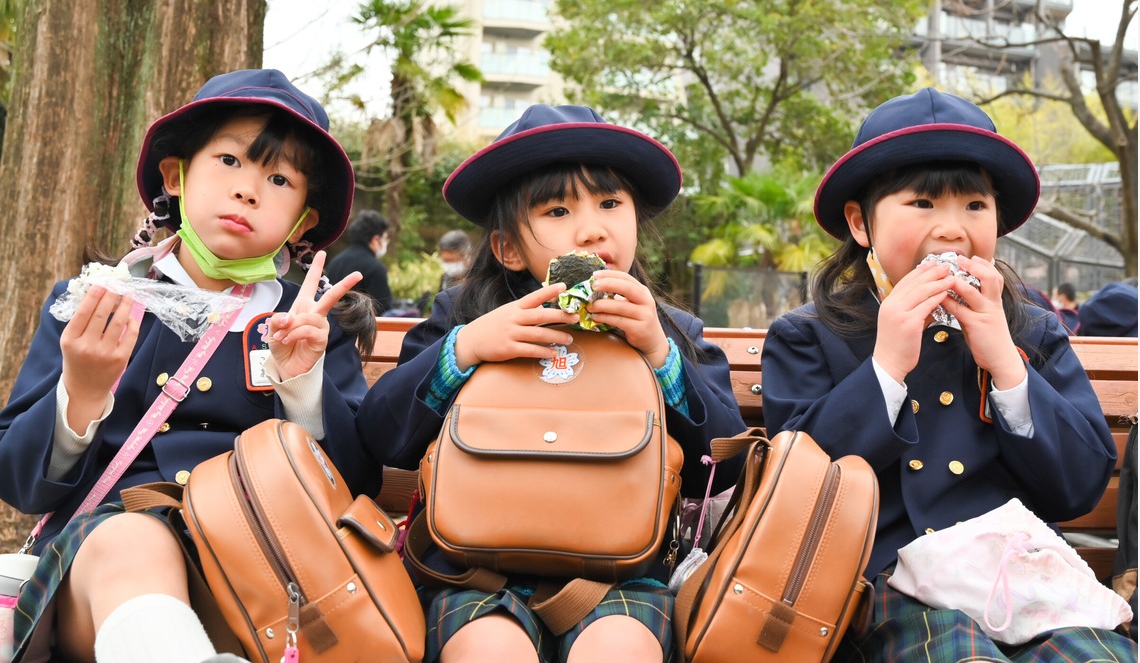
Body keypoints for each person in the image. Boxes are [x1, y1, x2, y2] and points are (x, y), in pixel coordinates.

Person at [0, 69, 383, 663]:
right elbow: (18, 482)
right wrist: (80, 390)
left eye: (279, 179)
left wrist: (304, 384)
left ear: (303, 220)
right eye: (229, 161)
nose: (249, 190)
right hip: (102, 571)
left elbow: (357, 484)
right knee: (133, 541)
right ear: (175, 176)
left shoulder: (310, 323)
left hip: (267, 580)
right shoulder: (94, 301)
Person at [356, 104, 745, 663]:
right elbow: (381, 434)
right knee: (490, 651)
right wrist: (464, 347)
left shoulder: (671, 331)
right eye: (559, 210)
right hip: (476, 573)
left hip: (623, 575)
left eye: (611, 204)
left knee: (620, 651)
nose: (592, 228)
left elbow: (723, 466)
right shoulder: (463, 318)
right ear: (508, 248)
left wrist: (660, 354)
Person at [760, 88, 1133, 661]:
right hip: (891, 584)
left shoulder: (1031, 330)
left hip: (1024, 580)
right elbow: (802, 493)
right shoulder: (810, 334)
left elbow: (1079, 488)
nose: (953, 229)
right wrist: (886, 363)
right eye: (923, 204)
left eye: (974, 207)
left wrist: (1006, 362)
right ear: (860, 224)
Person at [326, 209, 394, 315]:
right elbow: (383, 309)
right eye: (385, 238)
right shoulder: (375, 268)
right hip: (360, 329)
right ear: (376, 240)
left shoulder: (335, 262)